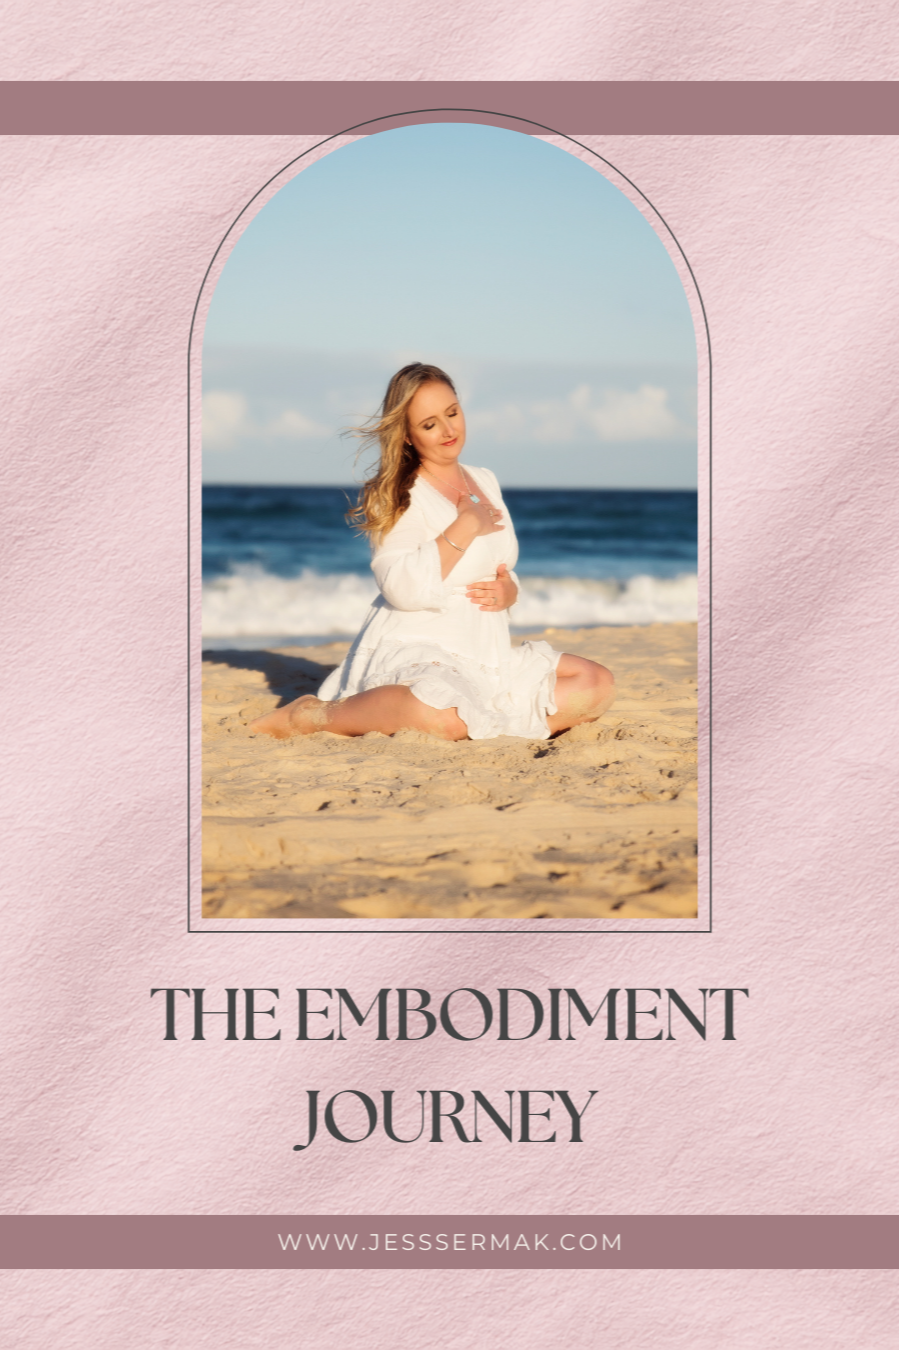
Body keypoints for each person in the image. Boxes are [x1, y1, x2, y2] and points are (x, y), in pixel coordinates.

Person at [250, 363, 614, 741]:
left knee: (595, 683)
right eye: (429, 424)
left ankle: (489, 726)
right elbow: (401, 588)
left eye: (452, 413)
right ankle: (309, 716)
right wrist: (466, 524)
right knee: (441, 713)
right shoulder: (398, 493)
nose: (448, 430)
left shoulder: (484, 479)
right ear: (407, 435)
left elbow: (496, 564)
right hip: (422, 647)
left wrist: (510, 591)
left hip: (486, 652)